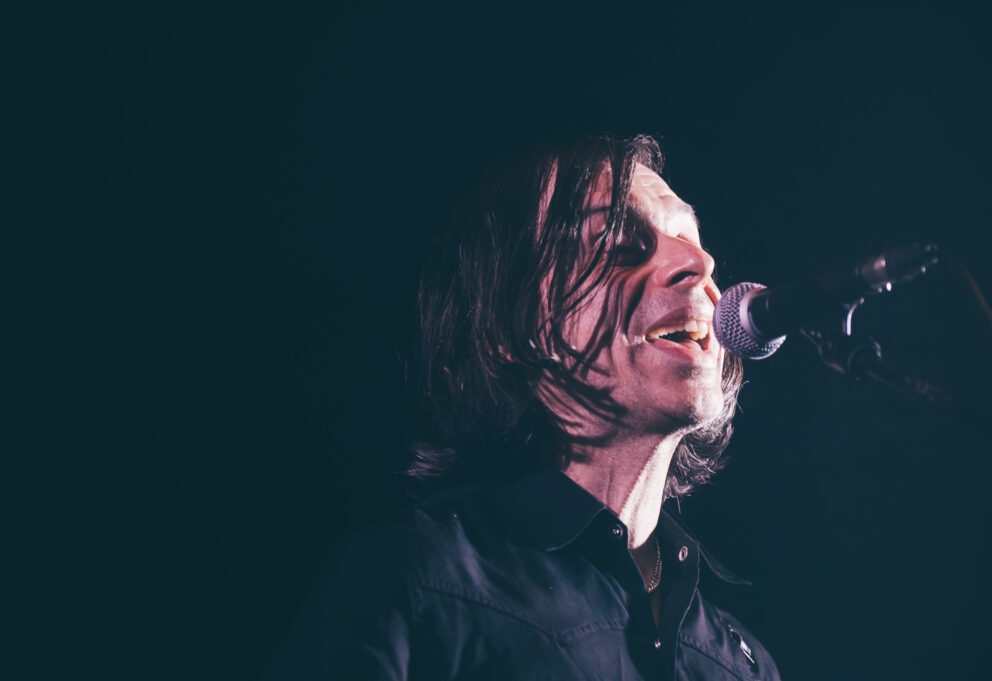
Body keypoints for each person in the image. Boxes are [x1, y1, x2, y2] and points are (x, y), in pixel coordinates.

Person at [266, 134, 781, 680]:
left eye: (692, 241)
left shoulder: (741, 664)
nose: (700, 263)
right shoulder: (415, 579)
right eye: (619, 245)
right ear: (511, 327)